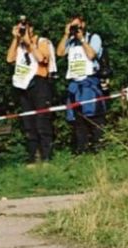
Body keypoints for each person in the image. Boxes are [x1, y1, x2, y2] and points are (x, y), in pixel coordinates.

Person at [6, 16, 56, 163]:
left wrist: (29, 43)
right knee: (28, 123)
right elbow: (9, 59)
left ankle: (46, 156)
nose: (23, 29)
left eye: (26, 27)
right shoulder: (19, 44)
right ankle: (32, 157)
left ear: (32, 28)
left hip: (39, 84)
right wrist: (16, 39)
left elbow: (42, 59)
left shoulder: (42, 41)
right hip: (23, 86)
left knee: (42, 121)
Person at [56, 15, 105, 153]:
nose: (75, 29)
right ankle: (81, 147)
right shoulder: (71, 41)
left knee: (93, 113)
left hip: (90, 80)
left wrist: (82, 39)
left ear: (83, 25)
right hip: (74, 82)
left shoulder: (93, 38)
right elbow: (59, 53)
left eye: (78, 25)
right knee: (76, 116)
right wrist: (66, 35)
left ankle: (98, 145)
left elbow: (91, 55)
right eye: (73, 26)